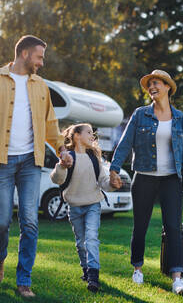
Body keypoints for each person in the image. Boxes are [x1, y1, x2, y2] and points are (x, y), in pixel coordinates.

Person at [0, 35, 73, 298]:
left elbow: (50, 124)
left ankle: (24, 280)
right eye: (39, 57)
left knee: (30, 221)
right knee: (0, 222)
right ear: (24, 54)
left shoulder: (41, 86)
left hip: (31, 161)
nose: (41, 63)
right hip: (1, 160)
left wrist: (62, 149)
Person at [109, 70, 183, 296]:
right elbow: (125, 143)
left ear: (168, 87)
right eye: (149, 84)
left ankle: (177, 278)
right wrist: (114, 169)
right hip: (145, 176)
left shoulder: (180, 118)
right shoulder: (140, 114)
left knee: (174, 228)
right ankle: (137, 268)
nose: (151, 87)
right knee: (141, 226)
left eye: (156, 83)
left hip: (171, 179)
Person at [50, 123, 117, 293]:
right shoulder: (68, 157)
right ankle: (86, 271)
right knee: (81, 243)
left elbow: (102, 181)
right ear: (77, 136)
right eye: (88, 132)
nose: (92, 135)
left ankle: (94, 276)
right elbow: (57, 179)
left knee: (92, 238)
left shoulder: (94, 157)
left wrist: (111, 184)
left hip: (93, 204)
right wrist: (62, 166)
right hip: (74, 207)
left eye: (92, 133)